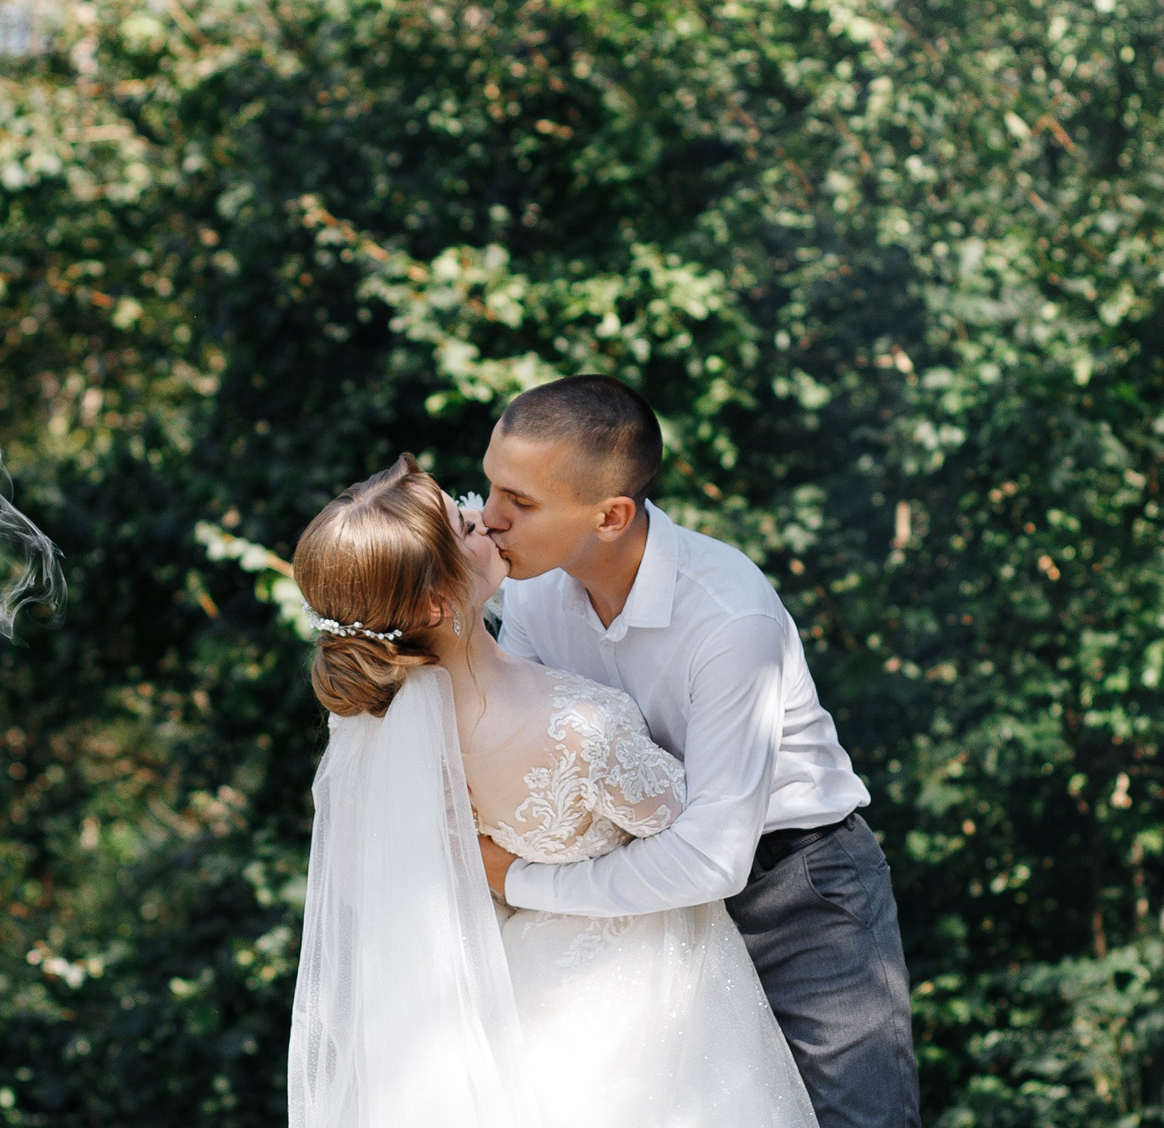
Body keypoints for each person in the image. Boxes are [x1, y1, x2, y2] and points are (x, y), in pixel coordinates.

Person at [285, 455, 814, 1128]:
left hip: (528, 988)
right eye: (465, 523)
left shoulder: (385, 724)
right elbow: (689, 825)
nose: (487, 517)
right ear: (437, 602)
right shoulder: (573, 726)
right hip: (644, 996)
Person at [478, 375, 919, 1128]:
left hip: (798, 887)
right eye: (491, 487)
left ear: (611, 514)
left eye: (519, 503)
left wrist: (522, 880)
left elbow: (715, 858)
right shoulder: (529, 591)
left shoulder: (728, 617)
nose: (489, 520)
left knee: (859, 1120)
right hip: (635, 903)